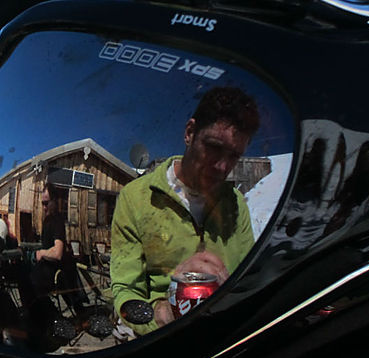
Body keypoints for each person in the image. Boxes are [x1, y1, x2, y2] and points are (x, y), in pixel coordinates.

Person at [110, 86, 260, 334]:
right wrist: (163, 313)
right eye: (213, 147)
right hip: (162, 341)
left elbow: (250, 279)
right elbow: (125, 293)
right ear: (190, 132)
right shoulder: (136, 199)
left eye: (234, 155)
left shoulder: (235, 202)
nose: (223, 167)